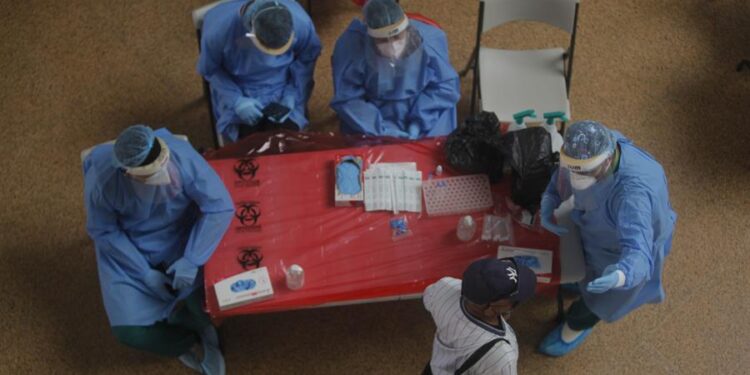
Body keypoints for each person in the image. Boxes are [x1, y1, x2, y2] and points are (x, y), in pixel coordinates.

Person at [82, 125, 235, 374]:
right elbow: (104, 232)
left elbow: (219, 206)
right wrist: (143, 272)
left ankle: (194, 323)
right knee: (130, 333)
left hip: (182, 237)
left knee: (210, 304)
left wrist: (192, 258)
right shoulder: (103, 182)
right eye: (152, 175)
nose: (167, 178)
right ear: (128, 173)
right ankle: (182, 343)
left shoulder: (182, 155)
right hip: (130, 251)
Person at [538, 120, 677, 356]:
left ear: (607, 161)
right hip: (596, 232)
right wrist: (550, 199)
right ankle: (580, 282)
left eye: (584, 172)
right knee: (583, 267)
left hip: (618, 253)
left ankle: (576, 325)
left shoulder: (634, 195)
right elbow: (565, 175)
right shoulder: (588, 143)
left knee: (601, 298)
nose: (575, 178)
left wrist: (622, 275)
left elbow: (637, 251)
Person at [330, 0, 460, 139]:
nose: (393, 46)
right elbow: (348, 98)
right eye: (383, 40)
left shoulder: (429, 41)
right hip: (373, 114)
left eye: (397, 37)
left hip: (427, 107)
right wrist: (381, 130)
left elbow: (445, 87)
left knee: (435, 152)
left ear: (407, 30)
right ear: (370, 37)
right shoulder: (351, 48)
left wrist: (419, 121)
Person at [198, 0, 322, 143]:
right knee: (249, 146)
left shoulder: (300, 21)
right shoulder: (219, 31)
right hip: (238, 87)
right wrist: (236, 101)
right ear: (251, 33)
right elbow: (211, 70)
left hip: (283, 84)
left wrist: (292, 92)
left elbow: (307, 58)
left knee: (288, 140)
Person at [423, 258, 537, 375]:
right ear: (489, 309)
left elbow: (428, 298)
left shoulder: (444, 287)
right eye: (513, 301)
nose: (517, 303)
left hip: (433, 369)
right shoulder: (501, 354)